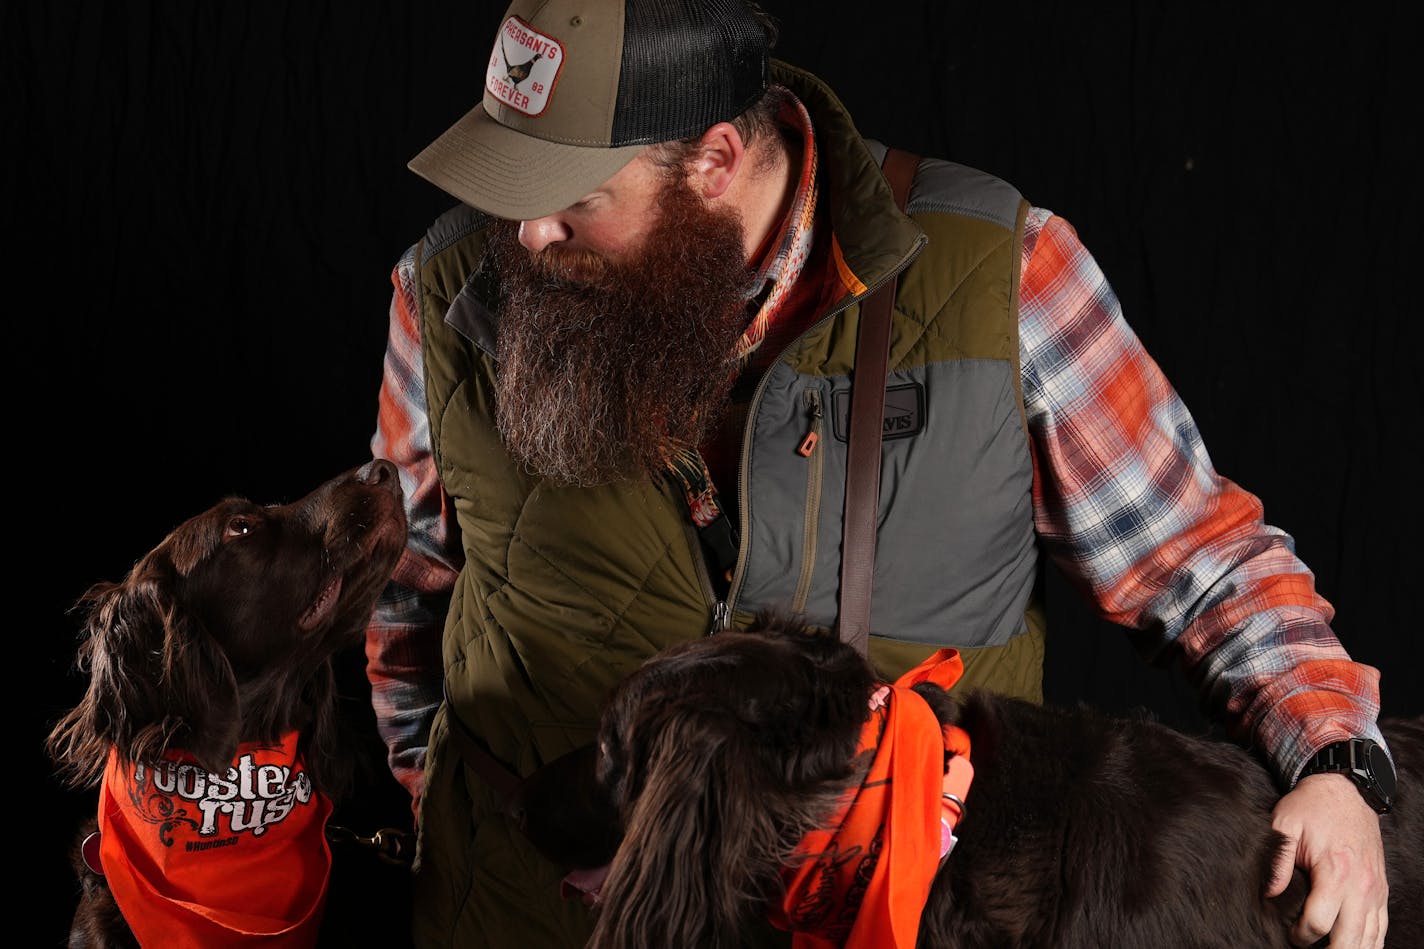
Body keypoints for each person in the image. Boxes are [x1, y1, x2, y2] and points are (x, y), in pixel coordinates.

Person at [365, 1, 1394, 946]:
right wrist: (439, 805)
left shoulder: (1003, 274)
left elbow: (1199, 563)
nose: (528, 236)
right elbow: (404, 596)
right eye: (513, 194)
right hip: (540, 911)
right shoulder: (446, 286)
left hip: (906, 915)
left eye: (571, 200)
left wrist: (1332, 758)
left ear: (714, 160)